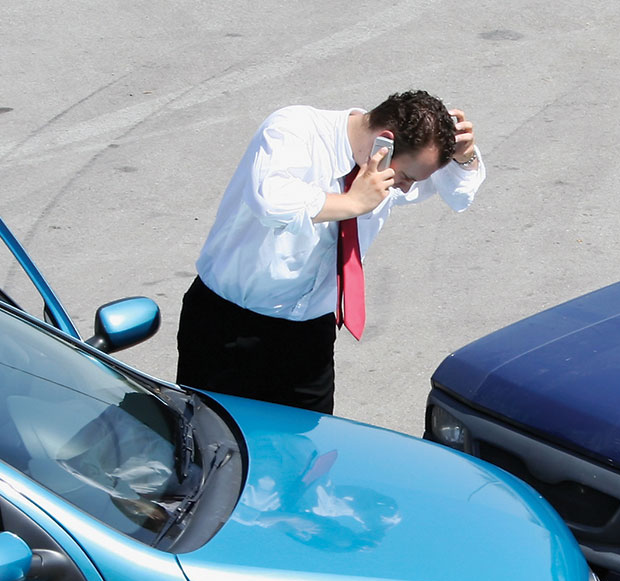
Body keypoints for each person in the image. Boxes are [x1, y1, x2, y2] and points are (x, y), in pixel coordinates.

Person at [177, 90, 484, 414]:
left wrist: (465, 157)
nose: (406, 188)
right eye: (406, 177)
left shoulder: (384, 170)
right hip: (229, 328)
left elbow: (459, 197)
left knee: (310, 455)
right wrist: (352, 202)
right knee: (210, 450)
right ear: (385, 143)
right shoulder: (293, 128)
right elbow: (271, 200)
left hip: (309, 338)